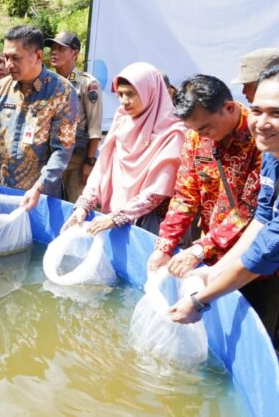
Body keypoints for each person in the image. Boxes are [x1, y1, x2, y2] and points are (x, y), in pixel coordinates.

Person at [170, 65, 279, 349]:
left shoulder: (260, 144)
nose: (263, 123)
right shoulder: (272, 151)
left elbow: (266, 244)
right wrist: (213, 270)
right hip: (231, 254)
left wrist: (199, 299)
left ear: (229, 108)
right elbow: (263, 219)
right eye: (257, 111)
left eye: (276, 113)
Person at [147, 75, 260, 276]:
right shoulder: (196, 136)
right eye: (194, 129)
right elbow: (185, 195)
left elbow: (250, 208)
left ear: (230, 108)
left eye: (206, 128)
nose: (201, 136)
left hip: (253, 259)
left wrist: (201, 248)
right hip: (210, 251)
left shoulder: (260, 138)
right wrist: (164, 246)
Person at [61, 62, 185, 236]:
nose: (124, 101)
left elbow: (155, 193)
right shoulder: (123, 120)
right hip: (112, 216)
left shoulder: (173, 133)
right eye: (120, 94)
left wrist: (117, 217)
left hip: (151, 223)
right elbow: (103, 168)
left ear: (151, 92)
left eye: (131, 94)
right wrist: (84, 205)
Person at [0, 25, 78, 210]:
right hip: (1, 191)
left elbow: (62, 150)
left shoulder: (62, 91)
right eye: (6, 57)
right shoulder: (0, 89)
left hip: (39, 197)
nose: (8, 65)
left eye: (15, 58)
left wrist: (39, 187)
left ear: (37, 56)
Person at [45, 31, 103, 202]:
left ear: (75, 54)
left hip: (77, 160)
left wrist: (89, 163)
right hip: (51, 157)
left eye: (60, 49)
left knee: (75, 204)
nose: (54, 52)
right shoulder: (47, 82)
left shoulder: (87, 84)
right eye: (52, 48)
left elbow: (94, 126)